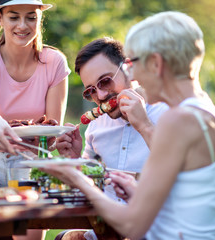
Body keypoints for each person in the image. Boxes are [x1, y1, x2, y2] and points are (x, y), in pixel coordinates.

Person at [43, 11, 215, 240]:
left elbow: (132, 227)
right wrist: (137, 194)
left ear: (156, 63)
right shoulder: (209, 112)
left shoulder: (178, 120)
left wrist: (78, 180)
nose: (132, 73)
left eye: (134, 63)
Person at [0, 0, 70, 239]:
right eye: (13, 17)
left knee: (30, 235)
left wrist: (60, 142)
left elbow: (50, 134)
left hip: (28, 163)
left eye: (31, 17)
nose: (23, 25)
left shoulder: (54, 63)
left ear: (40, 18)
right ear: (0, 18)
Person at [54, 37, 168, 239]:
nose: (101, 95)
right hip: (104, 231)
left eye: (105, 81)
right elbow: (87, 192)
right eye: (91, 91)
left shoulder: (168, 111)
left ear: (128, 69)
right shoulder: (96, 127)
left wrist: (144, 125)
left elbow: (187, 176)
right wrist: (74, 158)